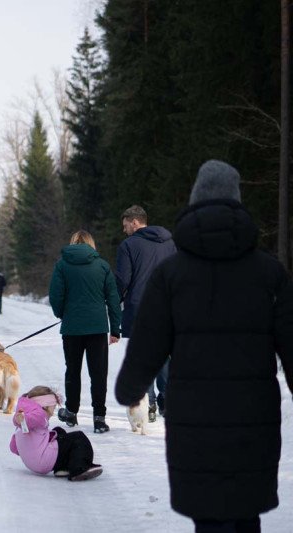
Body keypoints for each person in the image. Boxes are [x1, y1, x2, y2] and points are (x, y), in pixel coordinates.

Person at [115, 160, 293, 533]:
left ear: (195, 203)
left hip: (193, 422)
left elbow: (147, 346)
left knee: (208, 517)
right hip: (253, 421)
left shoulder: (171, 275)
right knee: (246, 514)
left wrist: (130, 388)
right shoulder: (270, 274)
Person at [49, 230, 121, 434]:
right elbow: (113, 299)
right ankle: (99, 418)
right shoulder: (103, 266)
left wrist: (63, 314)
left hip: (72, 328)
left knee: (73, 370)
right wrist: (115, 328)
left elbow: (55, 296)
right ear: (91, 243)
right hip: (98, 328)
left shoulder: (62, 265)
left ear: (73, 242)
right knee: (98, 373)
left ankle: (71, 412)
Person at [116, 205, 176, 422]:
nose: (124, 231)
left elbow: (123, 280)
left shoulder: (129, 246)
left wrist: (113, 300)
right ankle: (167, 403)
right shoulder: (169, 243)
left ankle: (148, 403)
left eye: (125, 226)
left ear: (134, 222)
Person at [10, 386, 102, 481]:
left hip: (32, 464)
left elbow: (13, 447)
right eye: (53, 408)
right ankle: (80, 469)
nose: (52, 413)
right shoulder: (39, 414)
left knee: (59, 431)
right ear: (45, 406)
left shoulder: (21, 423)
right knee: (78, 437)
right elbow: (32, 419)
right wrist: (23, 420)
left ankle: (62, 469)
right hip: (44, 460)